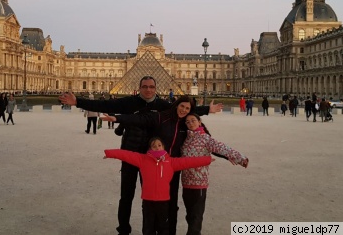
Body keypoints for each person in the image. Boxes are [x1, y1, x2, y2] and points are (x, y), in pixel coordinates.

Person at [58, 76, 220, 235]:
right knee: (126, 196)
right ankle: (123, 230)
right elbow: (104, 103)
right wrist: (78, 102)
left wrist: (207, 110)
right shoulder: (129, 102)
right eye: (145, 87)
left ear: (155, 89)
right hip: (131, 151)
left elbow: (184, 110)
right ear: (140, 87)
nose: (148, 90)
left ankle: (154, 230)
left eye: (151, 87)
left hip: (153, 157)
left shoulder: (163, 105)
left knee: (152, 198)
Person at [101, 95, 223, 235]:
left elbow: (207, 141)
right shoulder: (161, 117)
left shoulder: (185, 122)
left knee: (172, 205)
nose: (184, 110)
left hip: (172, 167)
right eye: (181, 106)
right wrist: (117, 118)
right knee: (151, 203)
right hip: (156, 165)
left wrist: (221, 157)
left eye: (187, 108)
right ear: (176, 105)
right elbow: (140, 119)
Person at [104, 137, 212, 235]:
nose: (157, 147)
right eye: (154, 146)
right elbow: (126, 154)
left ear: (163, 147)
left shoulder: (170, 162)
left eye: (159, 145)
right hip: (148, 201)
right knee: (148, 226)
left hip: (163, 201)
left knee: (163, 226)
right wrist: (109, 153)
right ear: (150, 148)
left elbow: (187, 162)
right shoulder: (142, 159)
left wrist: (207, 160)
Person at [181, 113, 248, 234]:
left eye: (193, 120)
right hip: (186, 182)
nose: (190, 123)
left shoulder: (206, 138)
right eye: (188, 122)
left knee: (196, 217)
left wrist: (240, 158)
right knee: (190, 215)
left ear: (200, 122)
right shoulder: (185, 139)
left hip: (199, 182)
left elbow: (222, 148)